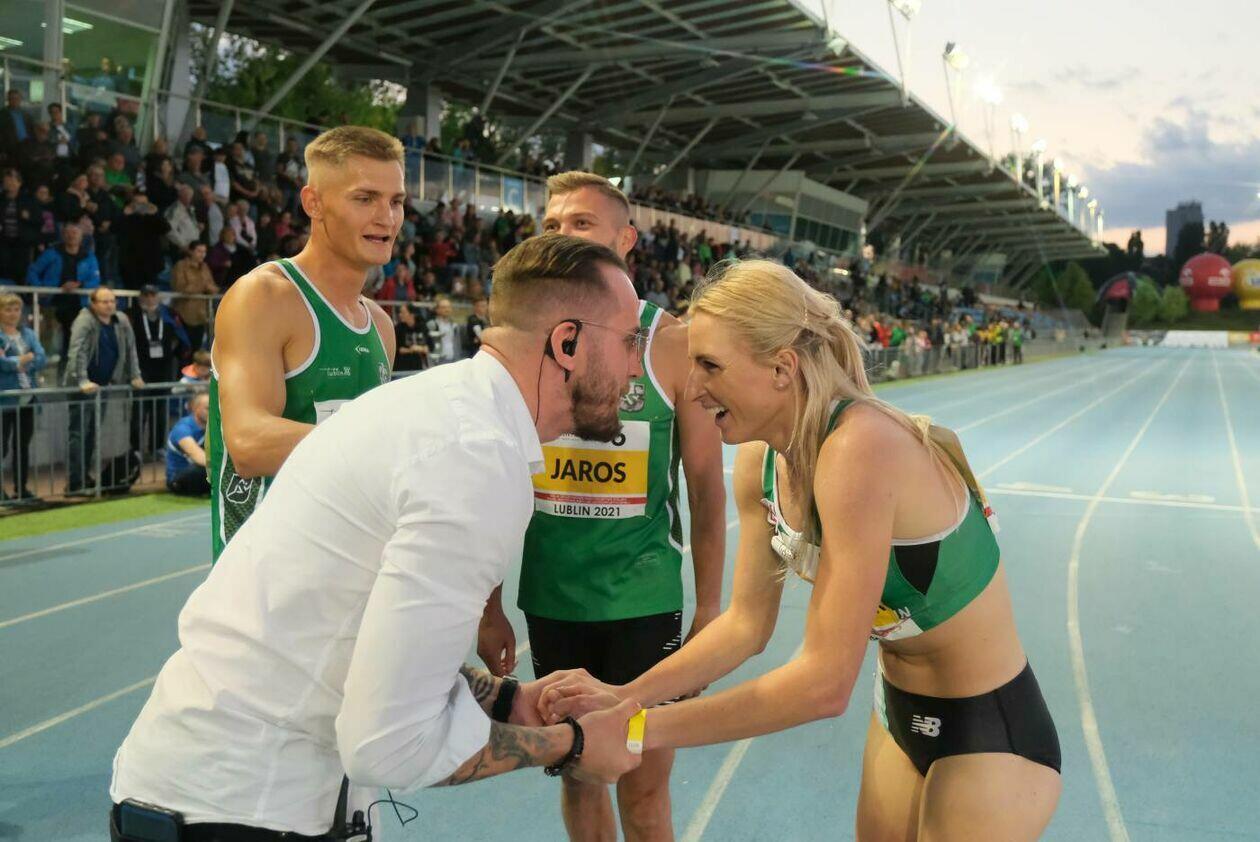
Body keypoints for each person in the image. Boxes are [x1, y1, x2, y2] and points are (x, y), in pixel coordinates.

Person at [109, 234, 647, 840]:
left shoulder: (440, 410)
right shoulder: (474, 458)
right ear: (567, 343)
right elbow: (389, 747)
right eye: (630, 341)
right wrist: (572, 745)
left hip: (227, 792)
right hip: (242, 807)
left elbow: (361, 629)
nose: (636, 366)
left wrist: (505, 699)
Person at [542, 260, 1061, 842]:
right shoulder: (762, 463)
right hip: (898, 715)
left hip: (990, 727)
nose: (692, 387)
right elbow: (744, 626)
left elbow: (824, 684)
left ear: (782, 368)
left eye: (710, 365)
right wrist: (624, 698)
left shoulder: (861, 448)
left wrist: (637, 730)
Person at [480, 171, 727, 842]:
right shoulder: (526, 340)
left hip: (641, 605)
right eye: (552, 224)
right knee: (579, 775)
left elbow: (707, 488)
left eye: (581, 223)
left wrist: (709, 608)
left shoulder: (672, 344)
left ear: (626, 240)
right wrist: (489, 604)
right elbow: (494, 483)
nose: (563, 234)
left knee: (643, 788)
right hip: (553, 601)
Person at [206, 126, 400, 562]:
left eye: (396, 201)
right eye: (365, 198)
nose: (386, 218)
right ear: (313, 203)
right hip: (264, 575)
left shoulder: (381, 325)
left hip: (348, 568)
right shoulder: (264, 297)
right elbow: (248, 442)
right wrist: (390, 445)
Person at [63, 286, 144, 494]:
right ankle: (75, 481)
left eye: (112, 301)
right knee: (79, 434)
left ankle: (85, 477)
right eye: (104, 301)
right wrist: (82, 380)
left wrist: (135, 375)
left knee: (92, 433)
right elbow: (77, 352)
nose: (109, 305)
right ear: (93, 303)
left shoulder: (121, 320)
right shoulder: (85, 320)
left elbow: (130, 349)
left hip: (103, 386)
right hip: (82, 388)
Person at [0, 292, 46, 503]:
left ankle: (22, 488)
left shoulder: (28, 334)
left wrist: (18, 362)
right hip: (5, 399)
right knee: (1, 447)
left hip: (28, 398)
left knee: (22, 446)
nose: (13, 314)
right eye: (8, 309)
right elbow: (2, 364)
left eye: (16, 309)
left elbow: (41, 358)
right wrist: (21, 360)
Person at [165, 391, 210, 496]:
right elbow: (200, 458)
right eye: (208, 408)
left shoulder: (214, 426)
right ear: (195, 408)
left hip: (199, 473)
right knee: (203, 469)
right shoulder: (182, 429)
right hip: (179, 478)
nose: (212, 412)